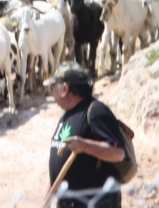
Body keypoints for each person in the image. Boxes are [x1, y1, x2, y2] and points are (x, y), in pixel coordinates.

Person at [45, 62, 126, 208]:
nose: (51, 92)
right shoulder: (66, 116)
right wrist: (48, 196)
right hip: (68, 202)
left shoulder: (96, 111)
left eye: (53, 87)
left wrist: (84, 145)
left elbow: (118, 153)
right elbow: (59, 160)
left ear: (64, 89)